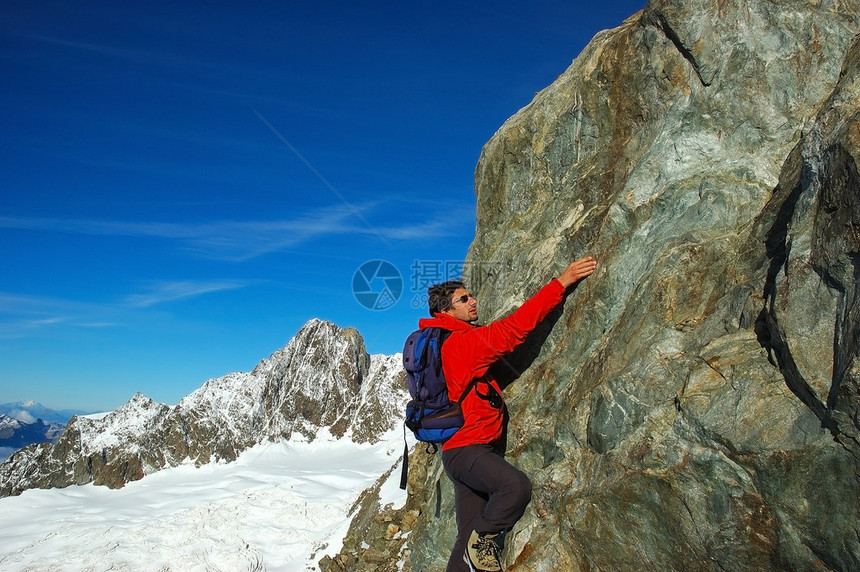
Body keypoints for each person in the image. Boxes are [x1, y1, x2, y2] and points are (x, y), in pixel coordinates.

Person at [419, 256, 596, 572]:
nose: (473, 302)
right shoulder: (460, 344)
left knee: (464, 543)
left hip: (460, 453)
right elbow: (514, 329)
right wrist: (561, 283)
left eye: (470, 296)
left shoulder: (444, 344)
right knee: (514, 488)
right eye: (464, 300)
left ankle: (472, 549)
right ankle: (484, 539)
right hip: (469, 450)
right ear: (446, 311)